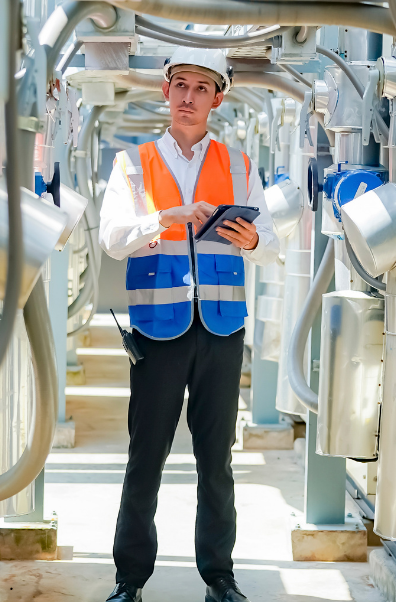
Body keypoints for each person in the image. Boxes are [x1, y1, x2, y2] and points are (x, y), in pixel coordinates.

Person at [98, 47, 281, 602]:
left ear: (217, 99)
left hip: (222, 330)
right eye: (181, 85)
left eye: (202, 88)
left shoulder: (239, 165)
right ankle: (129, 580)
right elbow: (112, 240)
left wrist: (254, 241)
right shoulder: (133, 165)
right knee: (145, 455)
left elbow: (270, 245)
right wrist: (164, 219)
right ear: (165, 90)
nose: (188, 97)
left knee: (216, 460)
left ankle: (219, 577)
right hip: (157, 329)